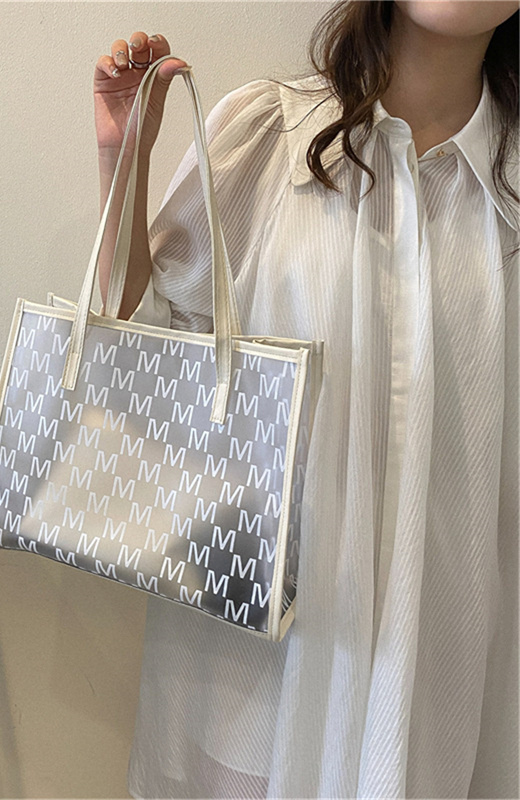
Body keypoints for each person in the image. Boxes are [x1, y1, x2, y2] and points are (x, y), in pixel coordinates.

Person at [92, 2, 519, 798]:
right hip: (256, 686)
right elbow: (137, 350)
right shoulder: (269, 136)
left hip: (446, 688)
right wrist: (124, 163)